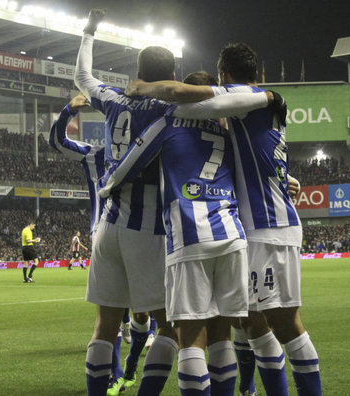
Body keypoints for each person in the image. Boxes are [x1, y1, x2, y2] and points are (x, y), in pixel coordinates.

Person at [76, 9, 279, 396]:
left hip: (110, 223)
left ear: (138, 70)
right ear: (170, 76)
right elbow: (222, 120)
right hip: (156, 231)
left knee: (104, 326)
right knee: (176, 328)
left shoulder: (115, 99)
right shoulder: (171, 109)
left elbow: (84, 78)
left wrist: (89, 32)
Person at [126, 43, 320, 396]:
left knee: (272, 324)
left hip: (264, 229)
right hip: (260, 227)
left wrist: (141, 88)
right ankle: (248, 387)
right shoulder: (239, 124)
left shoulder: (247, 98)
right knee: (251, 323)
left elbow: (180, 93)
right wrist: (284, 179)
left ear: (225, 76)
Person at [98, 82, 249, 396]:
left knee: (191, 337)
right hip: (232, 235)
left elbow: (131, 163)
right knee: (222, 336)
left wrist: (106, 187)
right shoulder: (227, 135)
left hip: (190, 235)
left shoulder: (169, 122)